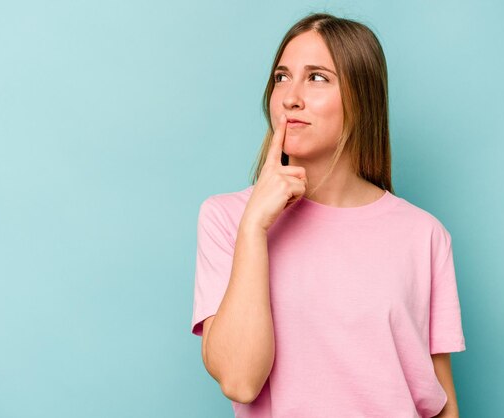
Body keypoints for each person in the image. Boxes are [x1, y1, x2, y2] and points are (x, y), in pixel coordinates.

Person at [190, 12, 466, 418]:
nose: (290, 97)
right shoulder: (227, 219)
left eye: (317, 77)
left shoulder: (424, 235)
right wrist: (253, 227)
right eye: (281, 77)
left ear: (361, 97)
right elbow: (240, 381)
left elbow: (440, 400)